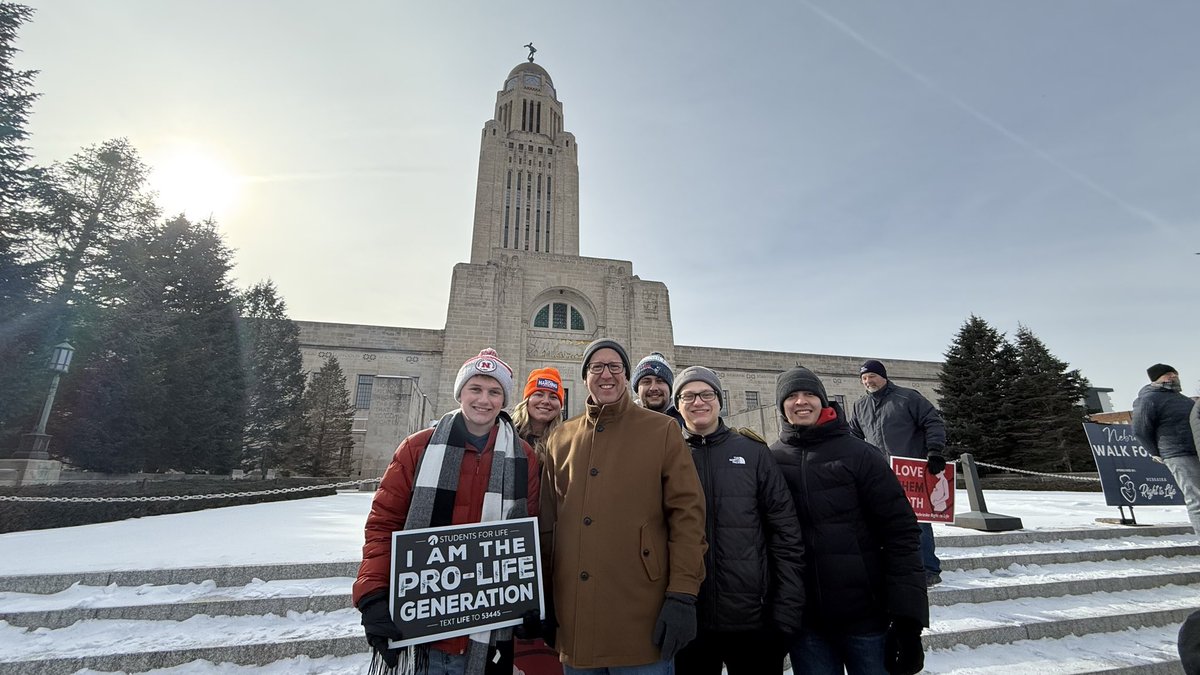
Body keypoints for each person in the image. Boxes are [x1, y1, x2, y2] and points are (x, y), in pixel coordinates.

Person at [352, 348, 541, 675]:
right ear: (460, 393)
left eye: (494, 391)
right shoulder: (418, 448)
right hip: (428, 631)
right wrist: (373, 595)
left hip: (491, 628)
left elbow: (530, 535)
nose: (484, 399)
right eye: (476, 389)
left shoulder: (523, 457)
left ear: (504, 399)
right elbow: (384, 525)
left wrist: (531, 596)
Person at [541, 338, 707, 673]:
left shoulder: (662, 430)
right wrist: (543, 598)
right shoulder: (560, 438)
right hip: (575, 624)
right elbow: (549, 524)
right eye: (596, 367)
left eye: (615, 367)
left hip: (641, 620)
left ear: (626, 376)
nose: (606, 374)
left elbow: (687, 517)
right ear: (585, 376)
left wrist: (682, 595)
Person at [771, 366, 929, 675]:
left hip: (865, 618)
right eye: (791, 396)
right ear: (781, 406)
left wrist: (909, 622)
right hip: (807, 624)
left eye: (809, 394)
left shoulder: (862, 454)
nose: (801, 402)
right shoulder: (771, 459)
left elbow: (901, 534)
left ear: (824, 401)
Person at [671, 366, 804, 675]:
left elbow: (785, 534)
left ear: (720, 401)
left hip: (752, 621)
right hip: (689, 619)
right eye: (688, 396)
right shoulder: (667, 454)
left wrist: (784, 613)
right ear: (677, 405)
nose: (698, 402)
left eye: (706, 394)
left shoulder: (753, 452)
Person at [849, 359, 948, 587]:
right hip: (879, 474)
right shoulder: (860, 406)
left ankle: (929, 568)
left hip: (911, 471)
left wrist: (934, 450)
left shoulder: (908, 397)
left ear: (883, 376)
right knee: (882, 520)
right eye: (864, 378)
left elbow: (932, 421)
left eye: (872, 376)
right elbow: (854, 436)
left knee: (918, 522)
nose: (868, 381)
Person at [1133, 364, 1200, 534]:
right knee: (1196, 497)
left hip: (1196, 449)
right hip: (1176, 452)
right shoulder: (1148, 399)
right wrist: (1155, 452)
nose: (1173, 377)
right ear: (1156, 378)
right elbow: (1140, 430)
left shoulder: (1184, 399)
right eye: (1167, 374)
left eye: (1175, 374)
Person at [632, 351, 684, 425]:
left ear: (670, 388)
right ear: (637, 390)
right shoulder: (625, 421)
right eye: (647, 382)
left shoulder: (687, 421)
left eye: (660, 381)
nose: (653, 388)